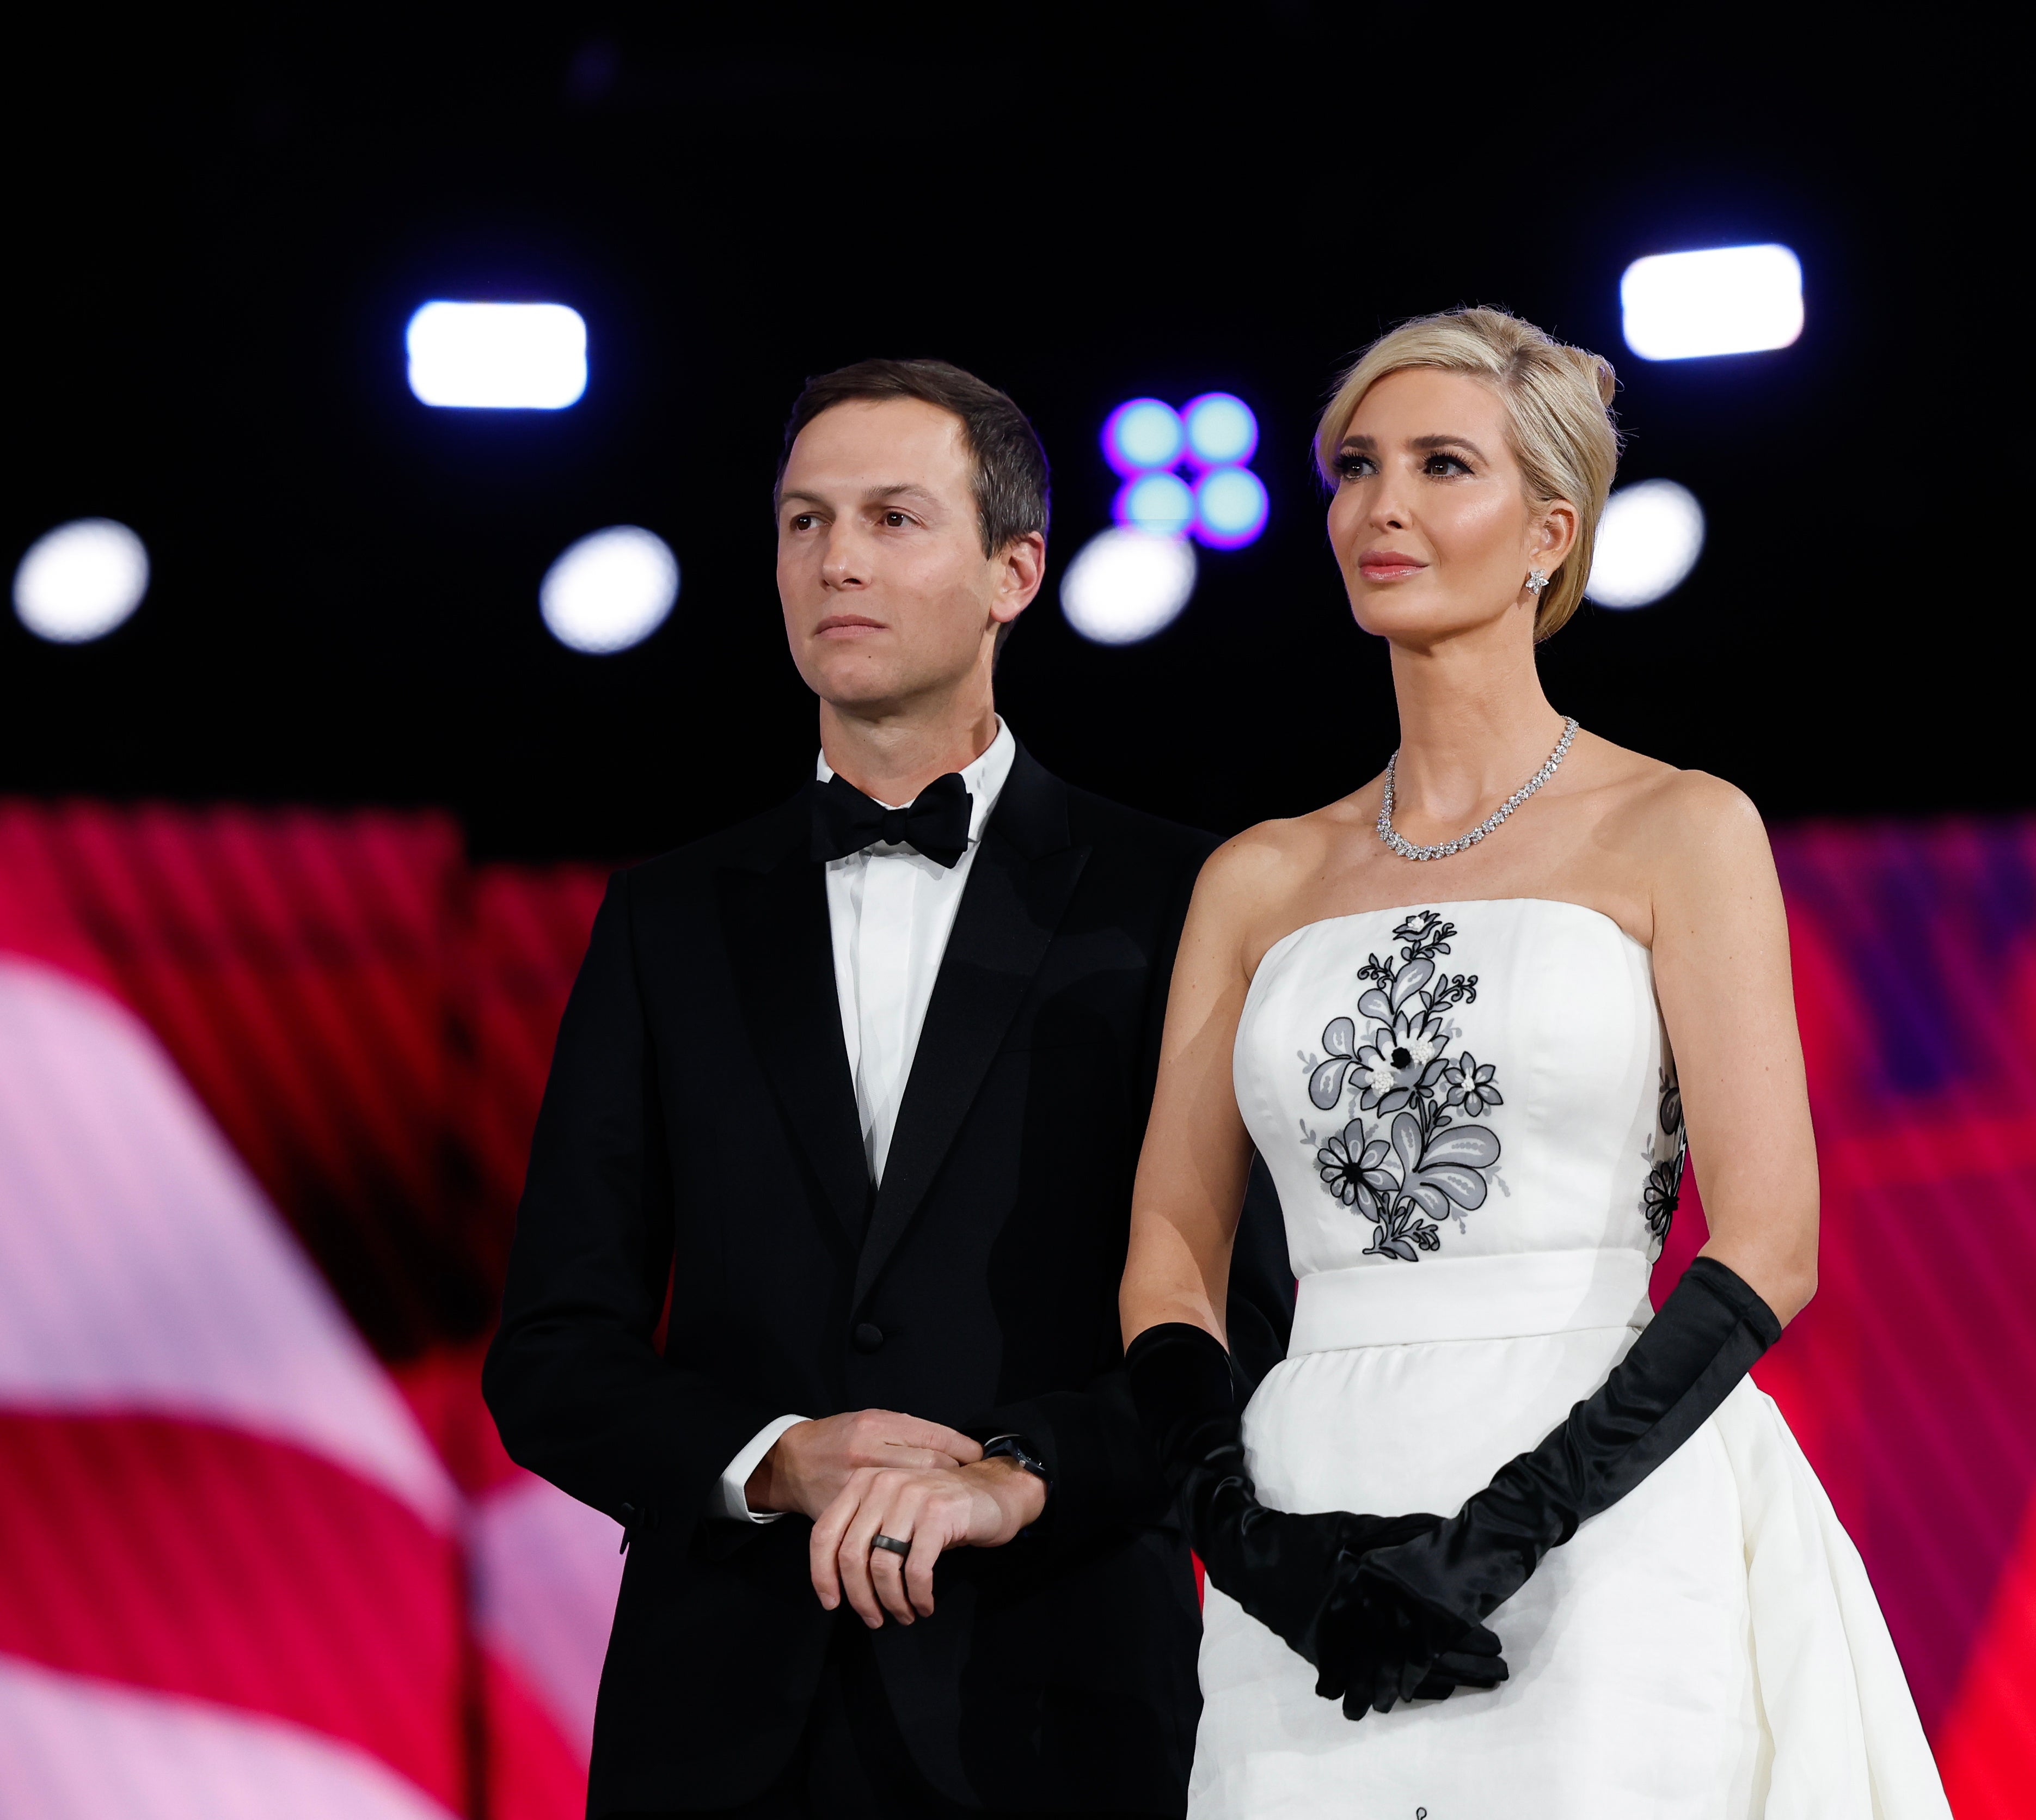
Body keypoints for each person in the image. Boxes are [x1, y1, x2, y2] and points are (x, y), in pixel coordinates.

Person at [1115, 309, 1953, 1817]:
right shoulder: (1258, 877)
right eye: (1357, 467)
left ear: (1549, 534)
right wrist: (1257, 1551)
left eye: (1443, 466)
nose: (1384, 505)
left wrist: (1505, 1535)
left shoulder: (1678, 828)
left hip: (1602, 1501)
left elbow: (1772, 1245)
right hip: (1311, 1522)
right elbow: (1169, 1262)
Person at [486, 358, 1295, 1819]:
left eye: (892, 518)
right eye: (805, 522)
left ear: (1014, 572)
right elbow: (552, 1353)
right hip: (719, 1723)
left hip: (1056, 1706)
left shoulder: (1181, 900)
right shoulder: (666, 917)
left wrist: (1019, 1475)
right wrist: (775, 1461)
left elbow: (1251, 1322)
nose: (837, 560)